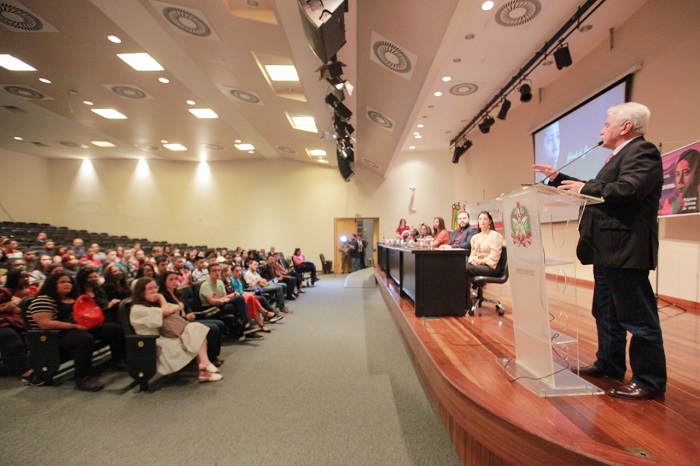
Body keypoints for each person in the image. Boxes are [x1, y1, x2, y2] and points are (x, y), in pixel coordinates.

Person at [533, 102, 666, 400]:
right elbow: (596, 187)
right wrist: (557, 179)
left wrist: (584, 189)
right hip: (606, 250)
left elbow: (628, 190)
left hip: (625, 249)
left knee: (637, 318)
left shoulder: (643, 152)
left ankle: (649, 381)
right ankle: (609, 364)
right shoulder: (617, 157)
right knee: (606, 313)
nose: (601, 129)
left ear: (625, 127)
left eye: (606, 124)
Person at [27, 273, 126, 391]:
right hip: (56, 334)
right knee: (85, 339)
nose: (67, 284)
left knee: (114, 329)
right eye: (62, 282)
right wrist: (73, 326)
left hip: (78, 328)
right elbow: (45, 324)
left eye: (69, 282)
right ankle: (82, 378)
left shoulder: (74, 298)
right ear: (52, 284)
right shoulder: (43, 300)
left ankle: (118, 360)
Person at [130, 277, 222, 383]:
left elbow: (178, 306)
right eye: (149, 289)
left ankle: (204, 366)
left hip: (165, 335)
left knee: (195, 329)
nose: (154, 291)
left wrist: (166, 308)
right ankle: (204, 369)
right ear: (140, 292)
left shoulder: (152, 304)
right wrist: (160, 297)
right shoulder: (137, 309)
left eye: (155, 288)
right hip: (153, 342)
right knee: (194, 332)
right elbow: (165, 311)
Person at [158, 271, 224, 366]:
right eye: (171, 279)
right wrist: (185, 317)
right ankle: (209, 359)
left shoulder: (177, 293)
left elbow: (186, 306)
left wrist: (190, 313)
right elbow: (170, 315)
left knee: (220, 324)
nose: (174, 281)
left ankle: (214, 355)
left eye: (176, 279)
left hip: (188, 320)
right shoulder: (164, 297)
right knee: (213, 328)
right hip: (179, 324)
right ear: (164, 282)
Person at [199, 263, 263, 341]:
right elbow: (212, 302)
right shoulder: (206, 285)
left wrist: (221, 299)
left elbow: (224, 297)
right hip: (211, 310)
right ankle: (246, 325)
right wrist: (221, 299)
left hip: (220, 305)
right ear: (209, 273)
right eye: (214, 271)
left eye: (219, 270)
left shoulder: (220, 282)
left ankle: (246, 326)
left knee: (238, 301)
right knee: (239, 301)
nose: (217, 272)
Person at [465, 211, 503, 287]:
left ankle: (466, 297)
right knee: (460, 266)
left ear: (490, 221)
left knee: (465, 268)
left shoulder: (495, 236)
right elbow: (472, 254)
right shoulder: (475, 237)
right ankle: (464, 296)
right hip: (478, 265)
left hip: (491, 267)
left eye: (485, 219)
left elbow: (494, 256)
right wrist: (473, 260)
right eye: (480, 219)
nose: (482, 221)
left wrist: (481, 261)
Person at [659, 148, 699, 215]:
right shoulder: (675, 202)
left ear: (696, 174)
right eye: (677, 174)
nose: (680, 180)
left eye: (685, 173)